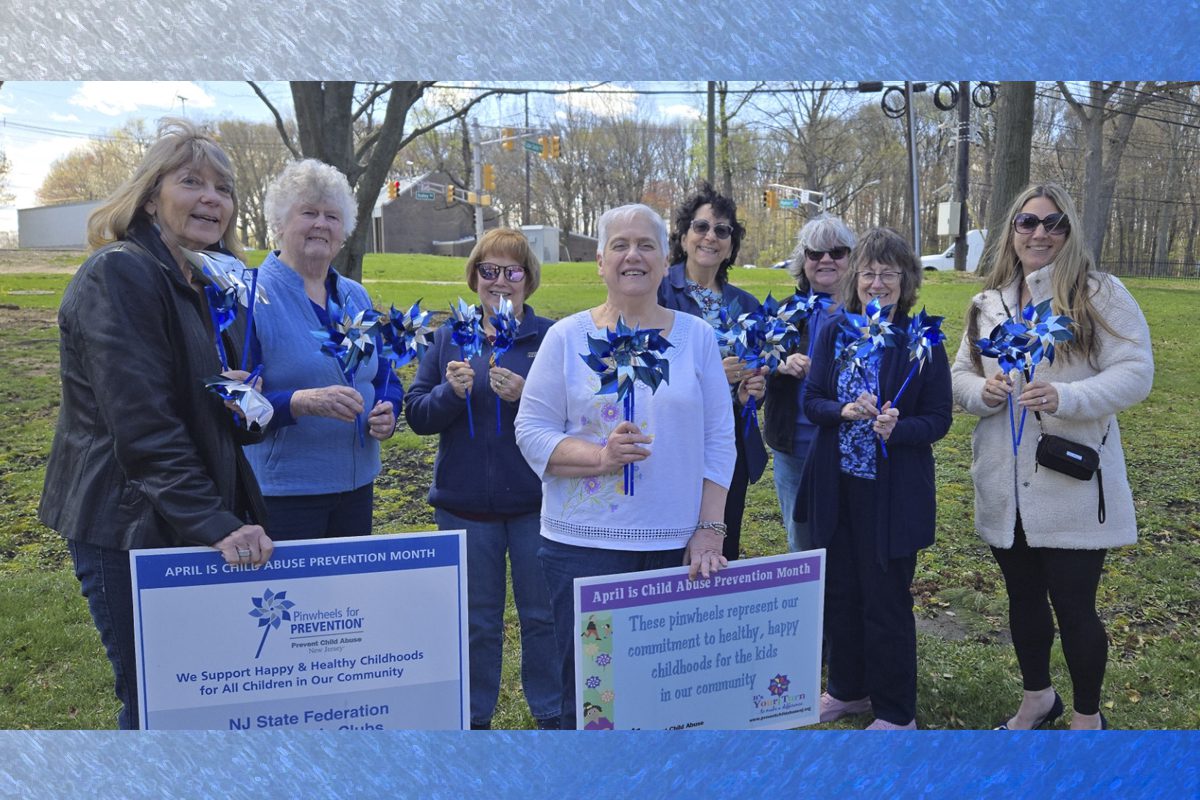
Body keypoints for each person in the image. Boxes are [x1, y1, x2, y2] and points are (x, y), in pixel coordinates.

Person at [38, 118, 273, 729]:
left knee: (204, 697)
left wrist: (247, 404)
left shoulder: (206, 284)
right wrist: (217, 523)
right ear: (149, 197)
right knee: (159, 705)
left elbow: (211, 410)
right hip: (129, 524)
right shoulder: (121, 273)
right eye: (191, 181)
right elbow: (141, 425)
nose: (211, 199)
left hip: (184, 512)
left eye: (223, 189)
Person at [515, 203, 735, 729]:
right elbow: (531, 431)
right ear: (599, 261)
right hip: (584, 548)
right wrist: (600, 457)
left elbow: (718, 440)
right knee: (593, 693)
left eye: (646, 246)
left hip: (671, 544)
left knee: (665, 693)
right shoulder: (566, 338)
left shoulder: (697, 337)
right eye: (620, 245)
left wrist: (708, 530)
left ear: (666, 260)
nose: (633, 255)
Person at [951, 183, 1153, 731]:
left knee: (1075, 606)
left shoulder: (1098, 293)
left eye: (1054, 222)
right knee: (1023, 601)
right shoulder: (988, 303)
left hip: (1070, 481)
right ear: (1011, 232)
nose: (1040, 233)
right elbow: (961, 374)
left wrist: (1069, 397)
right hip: (1003, 480)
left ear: (1070, 232)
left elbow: (1136, 372)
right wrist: (981, 393)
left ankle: (1088, 717)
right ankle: (1037, 698)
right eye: (1027, 222)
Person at [404, 228, 561, 730]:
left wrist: (527, 394)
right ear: (474, 278)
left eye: (511, 271)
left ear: (527, 280)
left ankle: (552, 712)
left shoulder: (549, 338)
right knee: (476, 623)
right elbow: (417, 415)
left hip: (536, 506)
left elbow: (576, 419)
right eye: (488, 271)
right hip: (464, 505)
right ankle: (473, 719)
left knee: (544, 618)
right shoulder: (450, 337)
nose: (499, 281)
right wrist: (451, 394)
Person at [798, 227, 952, 730]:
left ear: (906, 280)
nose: (877, 282)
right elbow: (812, 400)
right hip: (836, 485)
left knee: (885, 600)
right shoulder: (833, 330)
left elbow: (939, 417)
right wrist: (843, 409)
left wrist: (898, 427)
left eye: (889, 273)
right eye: (868, 272)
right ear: (854, 279)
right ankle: (848, 689)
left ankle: (895, 711)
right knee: (840, 592)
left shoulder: (921, 341)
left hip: (890, 494)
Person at [242, 159, 401, 540]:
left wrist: (388, 407)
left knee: (348, 597)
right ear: (279, 224)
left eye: (332, 216)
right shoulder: (250, 297)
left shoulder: (354, 295)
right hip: (285, 492)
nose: (321, 224)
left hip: (357, 484)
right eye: (308, 213)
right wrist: (300, 401)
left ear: (343, 231)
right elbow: (236, 402)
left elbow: (383, 374)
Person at [658, 182, 765, 562]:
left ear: (732, 244)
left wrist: (752, 389)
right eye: (701, 227)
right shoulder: (657, 293)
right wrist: (710, 376)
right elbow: (638, 369)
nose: (711, 237)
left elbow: (756, 373)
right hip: (668, 443)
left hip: (726, 443)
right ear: (684, 236)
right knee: (667, 552)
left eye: (722, 230)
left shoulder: (746, 305)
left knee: (719, 547)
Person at [763, 214, 857, 552]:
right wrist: (778, 364)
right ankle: (809, 605)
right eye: (815, 253)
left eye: (837, 252)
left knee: (849, 542)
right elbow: (755, 367)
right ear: (803, 262)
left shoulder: (869, 318)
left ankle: (841, 606)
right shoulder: (785, 313)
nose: (826, 260)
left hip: (848, 451)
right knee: (801, 544)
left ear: (852, 259)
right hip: (795, 451)